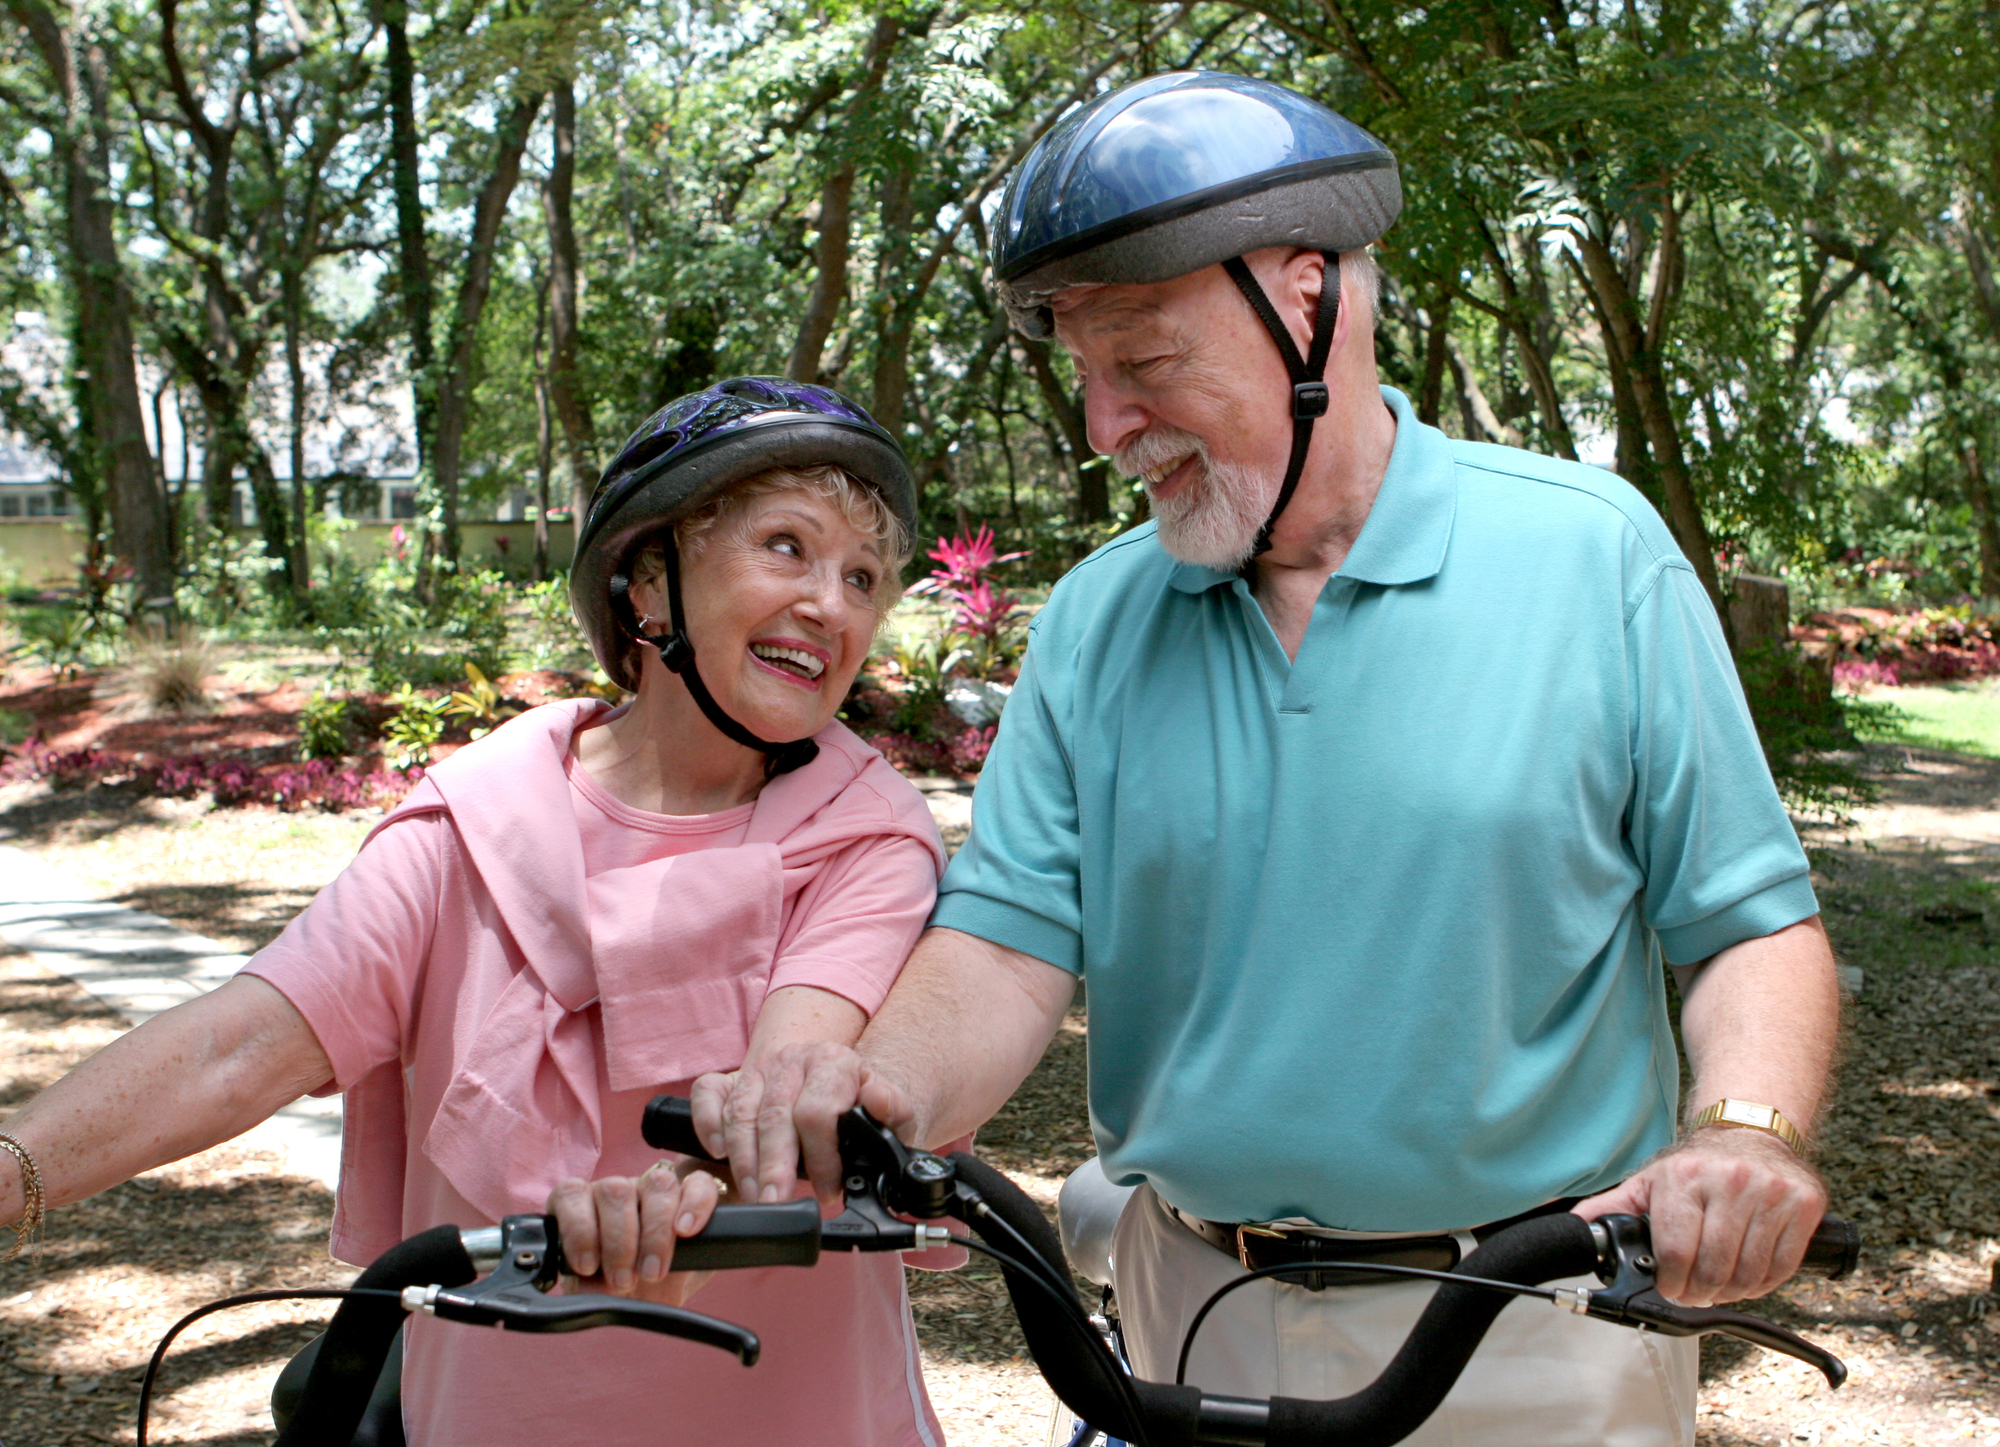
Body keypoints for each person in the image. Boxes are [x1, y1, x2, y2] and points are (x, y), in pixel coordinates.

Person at [700, 74, 1840, 1446]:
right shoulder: (1099, 620)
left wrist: (1748, 1133)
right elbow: (1004, 947)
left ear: (1307, 301)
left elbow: (1750, 923)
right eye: (1085, 372)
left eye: (1146, 362)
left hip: (1538, 1327)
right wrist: (878, 1094)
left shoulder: (1592, 555)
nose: (1103, 425)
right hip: (1187, 1306)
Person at [0, 377, 953, 1447]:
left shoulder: (869, 832)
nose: (835, 604)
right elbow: (242, 1043)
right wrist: (14, 1169)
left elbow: (785, 1082)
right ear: (647, 578)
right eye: (787, 546)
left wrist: (671, 1194)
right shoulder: (478, 816)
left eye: (863, 576)